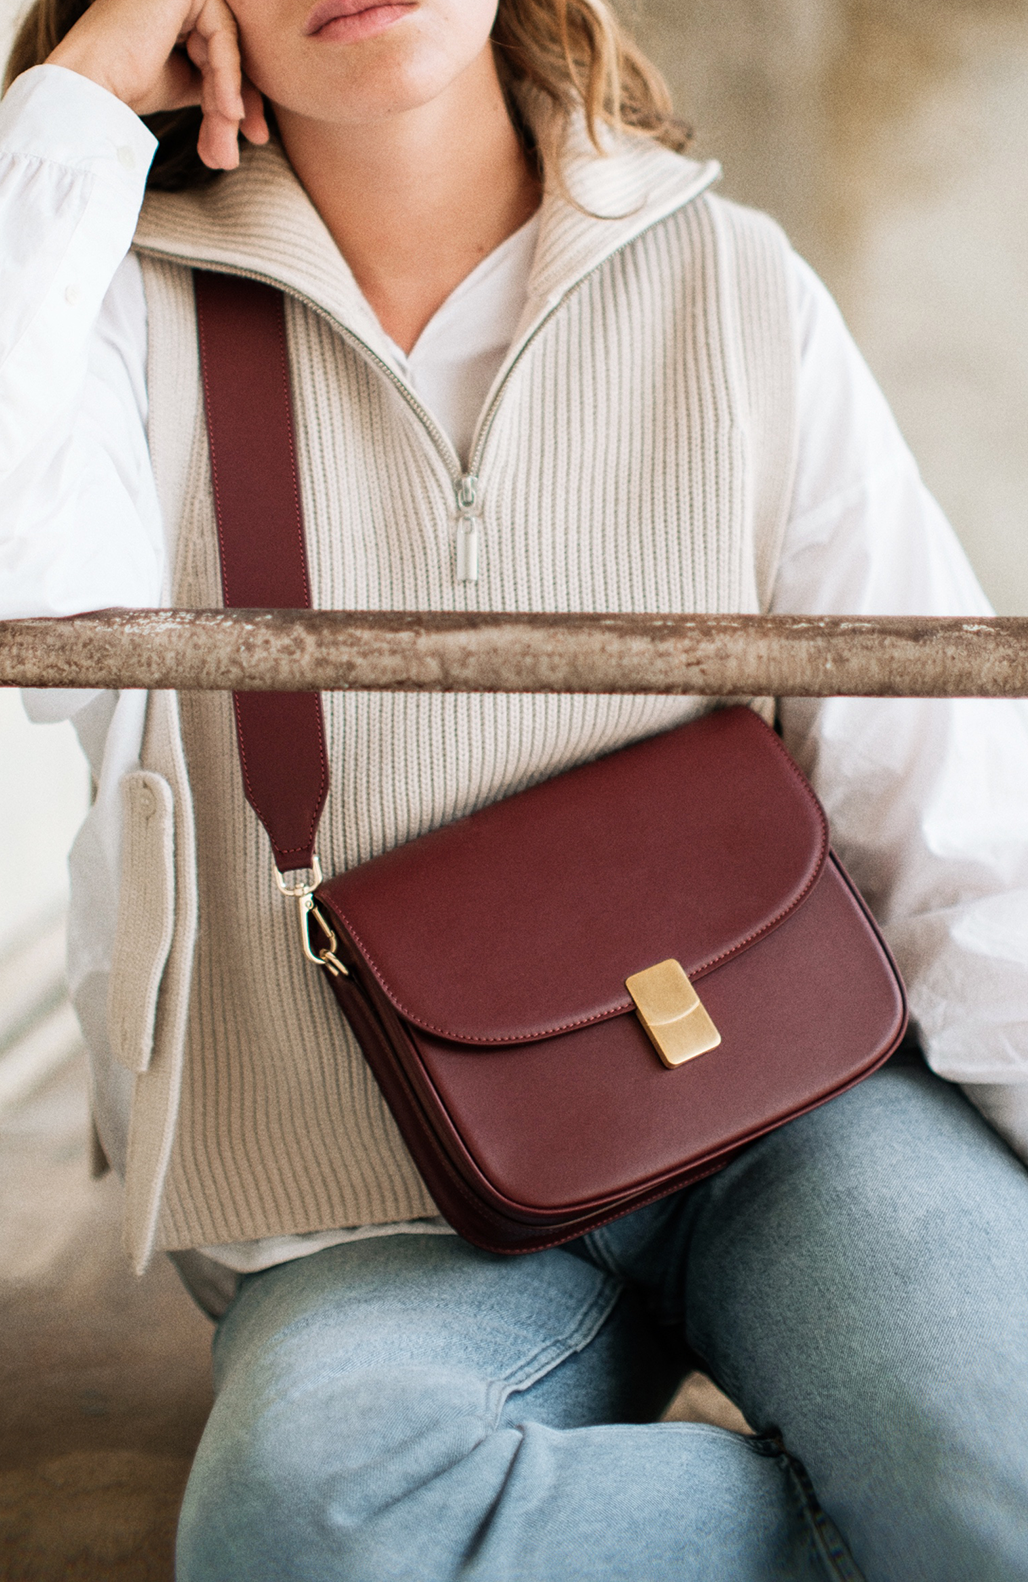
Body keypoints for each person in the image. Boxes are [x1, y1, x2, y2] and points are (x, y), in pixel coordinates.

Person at [2, 0, 1028, 1575]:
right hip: (373, 1174)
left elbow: (945, 803)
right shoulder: (111, 323)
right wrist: (74, 101)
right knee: (310, 1530)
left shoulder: (732, 280)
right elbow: (26, 609)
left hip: (797, 1101)